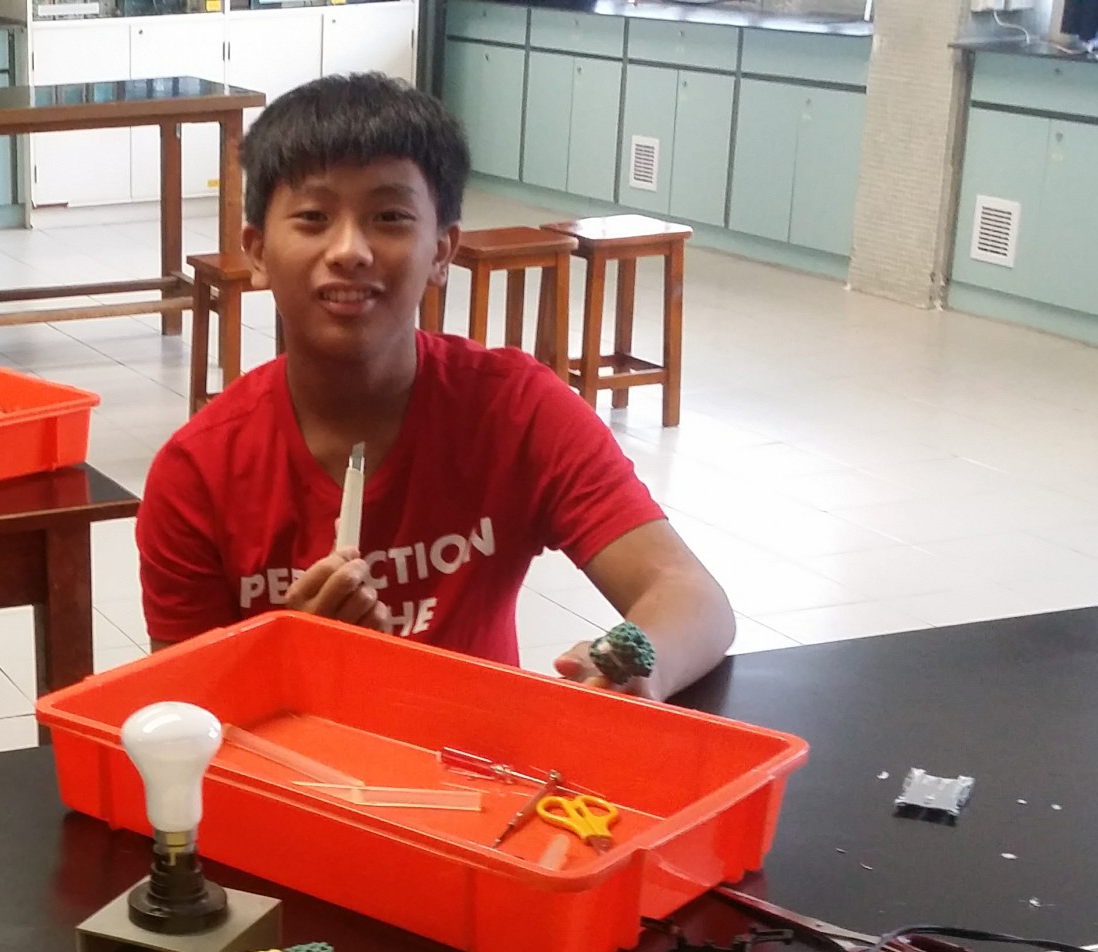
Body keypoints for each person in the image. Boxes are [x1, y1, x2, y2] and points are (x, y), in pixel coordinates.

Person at [134, 74, 733, 700]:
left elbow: (691, 596)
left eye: (390, 217)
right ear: (257, 251)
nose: (350, 250)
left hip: (479, 756)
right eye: (313, 218)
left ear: (442, 251)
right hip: (289, 761)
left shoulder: (515, 409)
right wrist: (292, 656)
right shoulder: (198, 473)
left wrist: (635, 665)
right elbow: (182, 707)